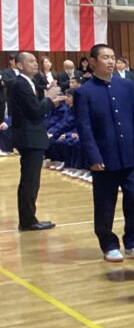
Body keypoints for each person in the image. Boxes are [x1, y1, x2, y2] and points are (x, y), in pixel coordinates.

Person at [74, 44, 134, 263]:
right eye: (105, 57)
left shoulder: (126, 86)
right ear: (93, 61)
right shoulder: (84, 91)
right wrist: (93, 156)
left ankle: (133, 242)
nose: (110, 61)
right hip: (104, 157)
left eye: (113, 57)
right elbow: (84, 127)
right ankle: (108, 244)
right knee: (105, 204)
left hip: (129, 155)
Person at [9, 52, 63, 231]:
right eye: (30, 61)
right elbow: (35, 111)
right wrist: (50, 99)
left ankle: (28, 218)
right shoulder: (20, 84)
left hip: (30, 136)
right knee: (30, 181)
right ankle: (28, 221)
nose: (35, 64)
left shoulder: (27, 83)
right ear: (19, 65)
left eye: (35, 61)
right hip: (29, 137)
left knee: (30, 180)